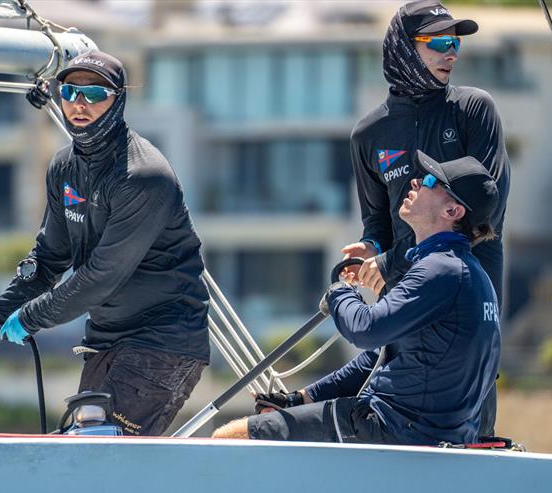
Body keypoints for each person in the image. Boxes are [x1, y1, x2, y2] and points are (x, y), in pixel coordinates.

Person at [0, 50, 210, 436]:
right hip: (106, 339)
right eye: (70, 92)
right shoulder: (63, 166)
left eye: (94, 93)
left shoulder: (143, 175)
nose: (79, 105)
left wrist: (30, 318)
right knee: (80, 455)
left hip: (162, 342)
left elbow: (101, 276)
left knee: (99, 456)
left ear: (118, 98)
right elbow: (49, 258)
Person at [212, 151, 500, 446]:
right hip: (419, 433)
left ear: (453, 211)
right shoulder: (467, 274)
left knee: (229, 438)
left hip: (391, 427)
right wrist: (299, 398)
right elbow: (380, 355)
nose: (415, 182)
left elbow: (366, 329)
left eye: (429, 181)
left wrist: (339, 292)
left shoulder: (440, 270)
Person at [343, 0, 510, 435]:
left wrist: (389, 261)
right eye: (438, 42)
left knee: (469, 421)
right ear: (402, 47)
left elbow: (485, 212)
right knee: (392, 414)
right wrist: (372, 251)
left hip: (470, 290)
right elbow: (377, 224)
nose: (451, 52)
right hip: (407, 300)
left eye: (455, 42)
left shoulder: (474, 109)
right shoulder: (368, 134)